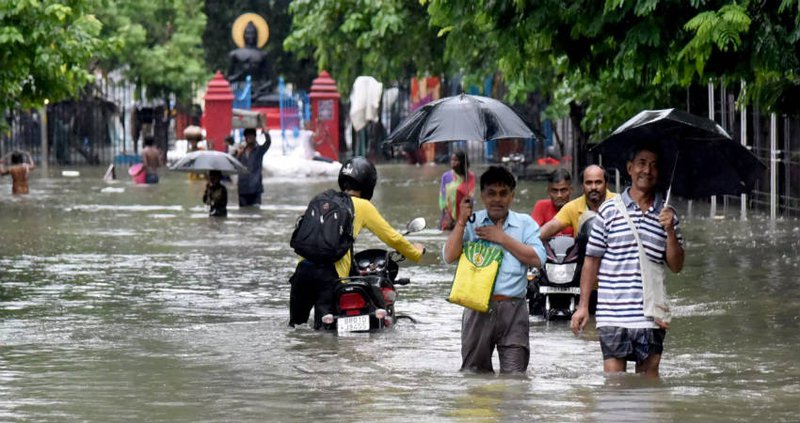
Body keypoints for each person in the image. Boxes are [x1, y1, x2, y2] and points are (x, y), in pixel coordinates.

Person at [571, 142, 685, 378]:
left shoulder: (668, 215)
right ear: (630, 168)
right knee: (614, 386)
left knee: (649, 387)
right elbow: (591, 261)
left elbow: (676, 266)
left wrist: (670, 229)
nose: (647, 170)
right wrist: (583, 306)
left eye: (654, 166)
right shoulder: (609, 210)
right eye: (642, 164)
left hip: (650, 316)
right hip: (612, 314)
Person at [289, 156, 425, 329]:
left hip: (302, 272)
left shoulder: (323, 198)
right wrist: (415, 252)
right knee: (325, 335)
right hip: (329, 276)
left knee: (296, 329)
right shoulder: (362, 206)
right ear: (369, 184)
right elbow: (392, 237)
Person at [443, 166, 546, 374]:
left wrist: (502, 238)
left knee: (515, 379)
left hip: (514, 309)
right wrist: (461, 221)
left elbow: (537, 259)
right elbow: (449, 256)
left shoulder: (525, 223)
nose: (497, 199)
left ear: (512, 196)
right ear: (482, 195)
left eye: (503, 194)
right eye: (491, 193)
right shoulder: (472, 222)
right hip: (477, 308)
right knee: (474, 377)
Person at [539, 165, 616, 240]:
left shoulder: (619, 203)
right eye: (588, 183)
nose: (593, 187)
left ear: (606, 184)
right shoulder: (572, 207)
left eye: (598, 182)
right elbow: (550, 227)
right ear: (582, 186)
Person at [227, 21, 273, 101]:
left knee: (276, 98)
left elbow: (271, 80)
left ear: (257, 35)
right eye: (248, 33)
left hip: (259, 89)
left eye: (253, 33)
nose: (250, 36)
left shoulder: (263, 54)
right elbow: (228, 79)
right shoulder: (235, 54)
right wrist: (240, 74)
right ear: (243, 35)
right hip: (240, 88)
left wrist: (259, 90)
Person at [438, 151, 476, 231]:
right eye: (452, 160)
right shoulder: (446, 176)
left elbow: (471, 195)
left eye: (456, 160)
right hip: (448, 214)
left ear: (462, 162)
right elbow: (442, 195)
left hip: (463, 213)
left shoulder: (470, 177)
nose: (453, 162)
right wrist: (446, 213)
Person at [530, 168, 574, 236]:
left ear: (570, 190)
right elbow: (531, 233)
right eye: (554, 190)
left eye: (563, 190)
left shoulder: (577, 209)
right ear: (548, 191)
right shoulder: (541, 206)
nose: (559, 195)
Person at [233, 128, 271, 207]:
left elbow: (268, 142)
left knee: (256, 211)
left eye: (251, 136)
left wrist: (265, 132)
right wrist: (237, 154)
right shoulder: (241, 152)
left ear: (255, 137)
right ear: (245, 138)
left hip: (255, 189)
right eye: (248, 136)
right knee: (243, 214)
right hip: (243, 189)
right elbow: (234, 164)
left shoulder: (259, 150)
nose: (249, 138)